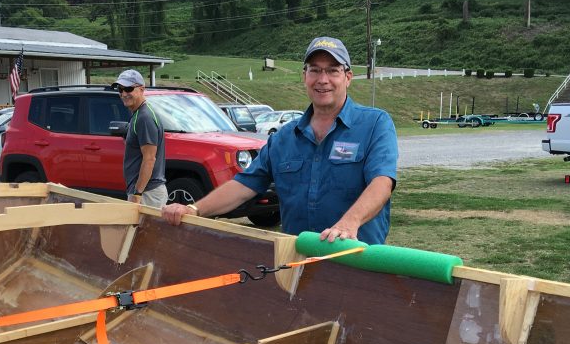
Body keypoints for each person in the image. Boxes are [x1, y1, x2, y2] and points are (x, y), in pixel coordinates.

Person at [162, 36, 397, 244]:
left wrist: (349, 223)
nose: (323, 79)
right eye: (315, 70)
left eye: (333, 70)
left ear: (347, 77)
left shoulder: (375, 124)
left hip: (355, 260)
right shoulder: (284, 138)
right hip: (297, 264)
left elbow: (382, 183)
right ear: (304, 76)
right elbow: (244, 185)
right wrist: (194, 209)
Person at [112, 69, 167, 208]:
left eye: (129, 89)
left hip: (147, 194)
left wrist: (137, 194)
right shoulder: (138, 115)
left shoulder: (144, 118)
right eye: (120, 89)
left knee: (145, 231)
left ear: (141, 89)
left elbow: (149, 159)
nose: (124, 94)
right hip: (145, 192)